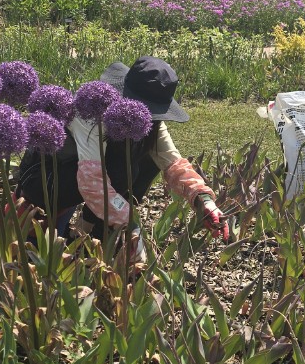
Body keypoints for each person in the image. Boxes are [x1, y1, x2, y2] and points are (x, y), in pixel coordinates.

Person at [16, 57, 230, 264]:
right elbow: (92, 183)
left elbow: (173, 163)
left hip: (89, 180)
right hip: (46, 178)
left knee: (146, 160)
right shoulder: (91, 114)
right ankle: (50, 223)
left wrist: (204, 201)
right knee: (119, 168)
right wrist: (130, 223)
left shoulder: (149, 123)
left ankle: (95, 231)